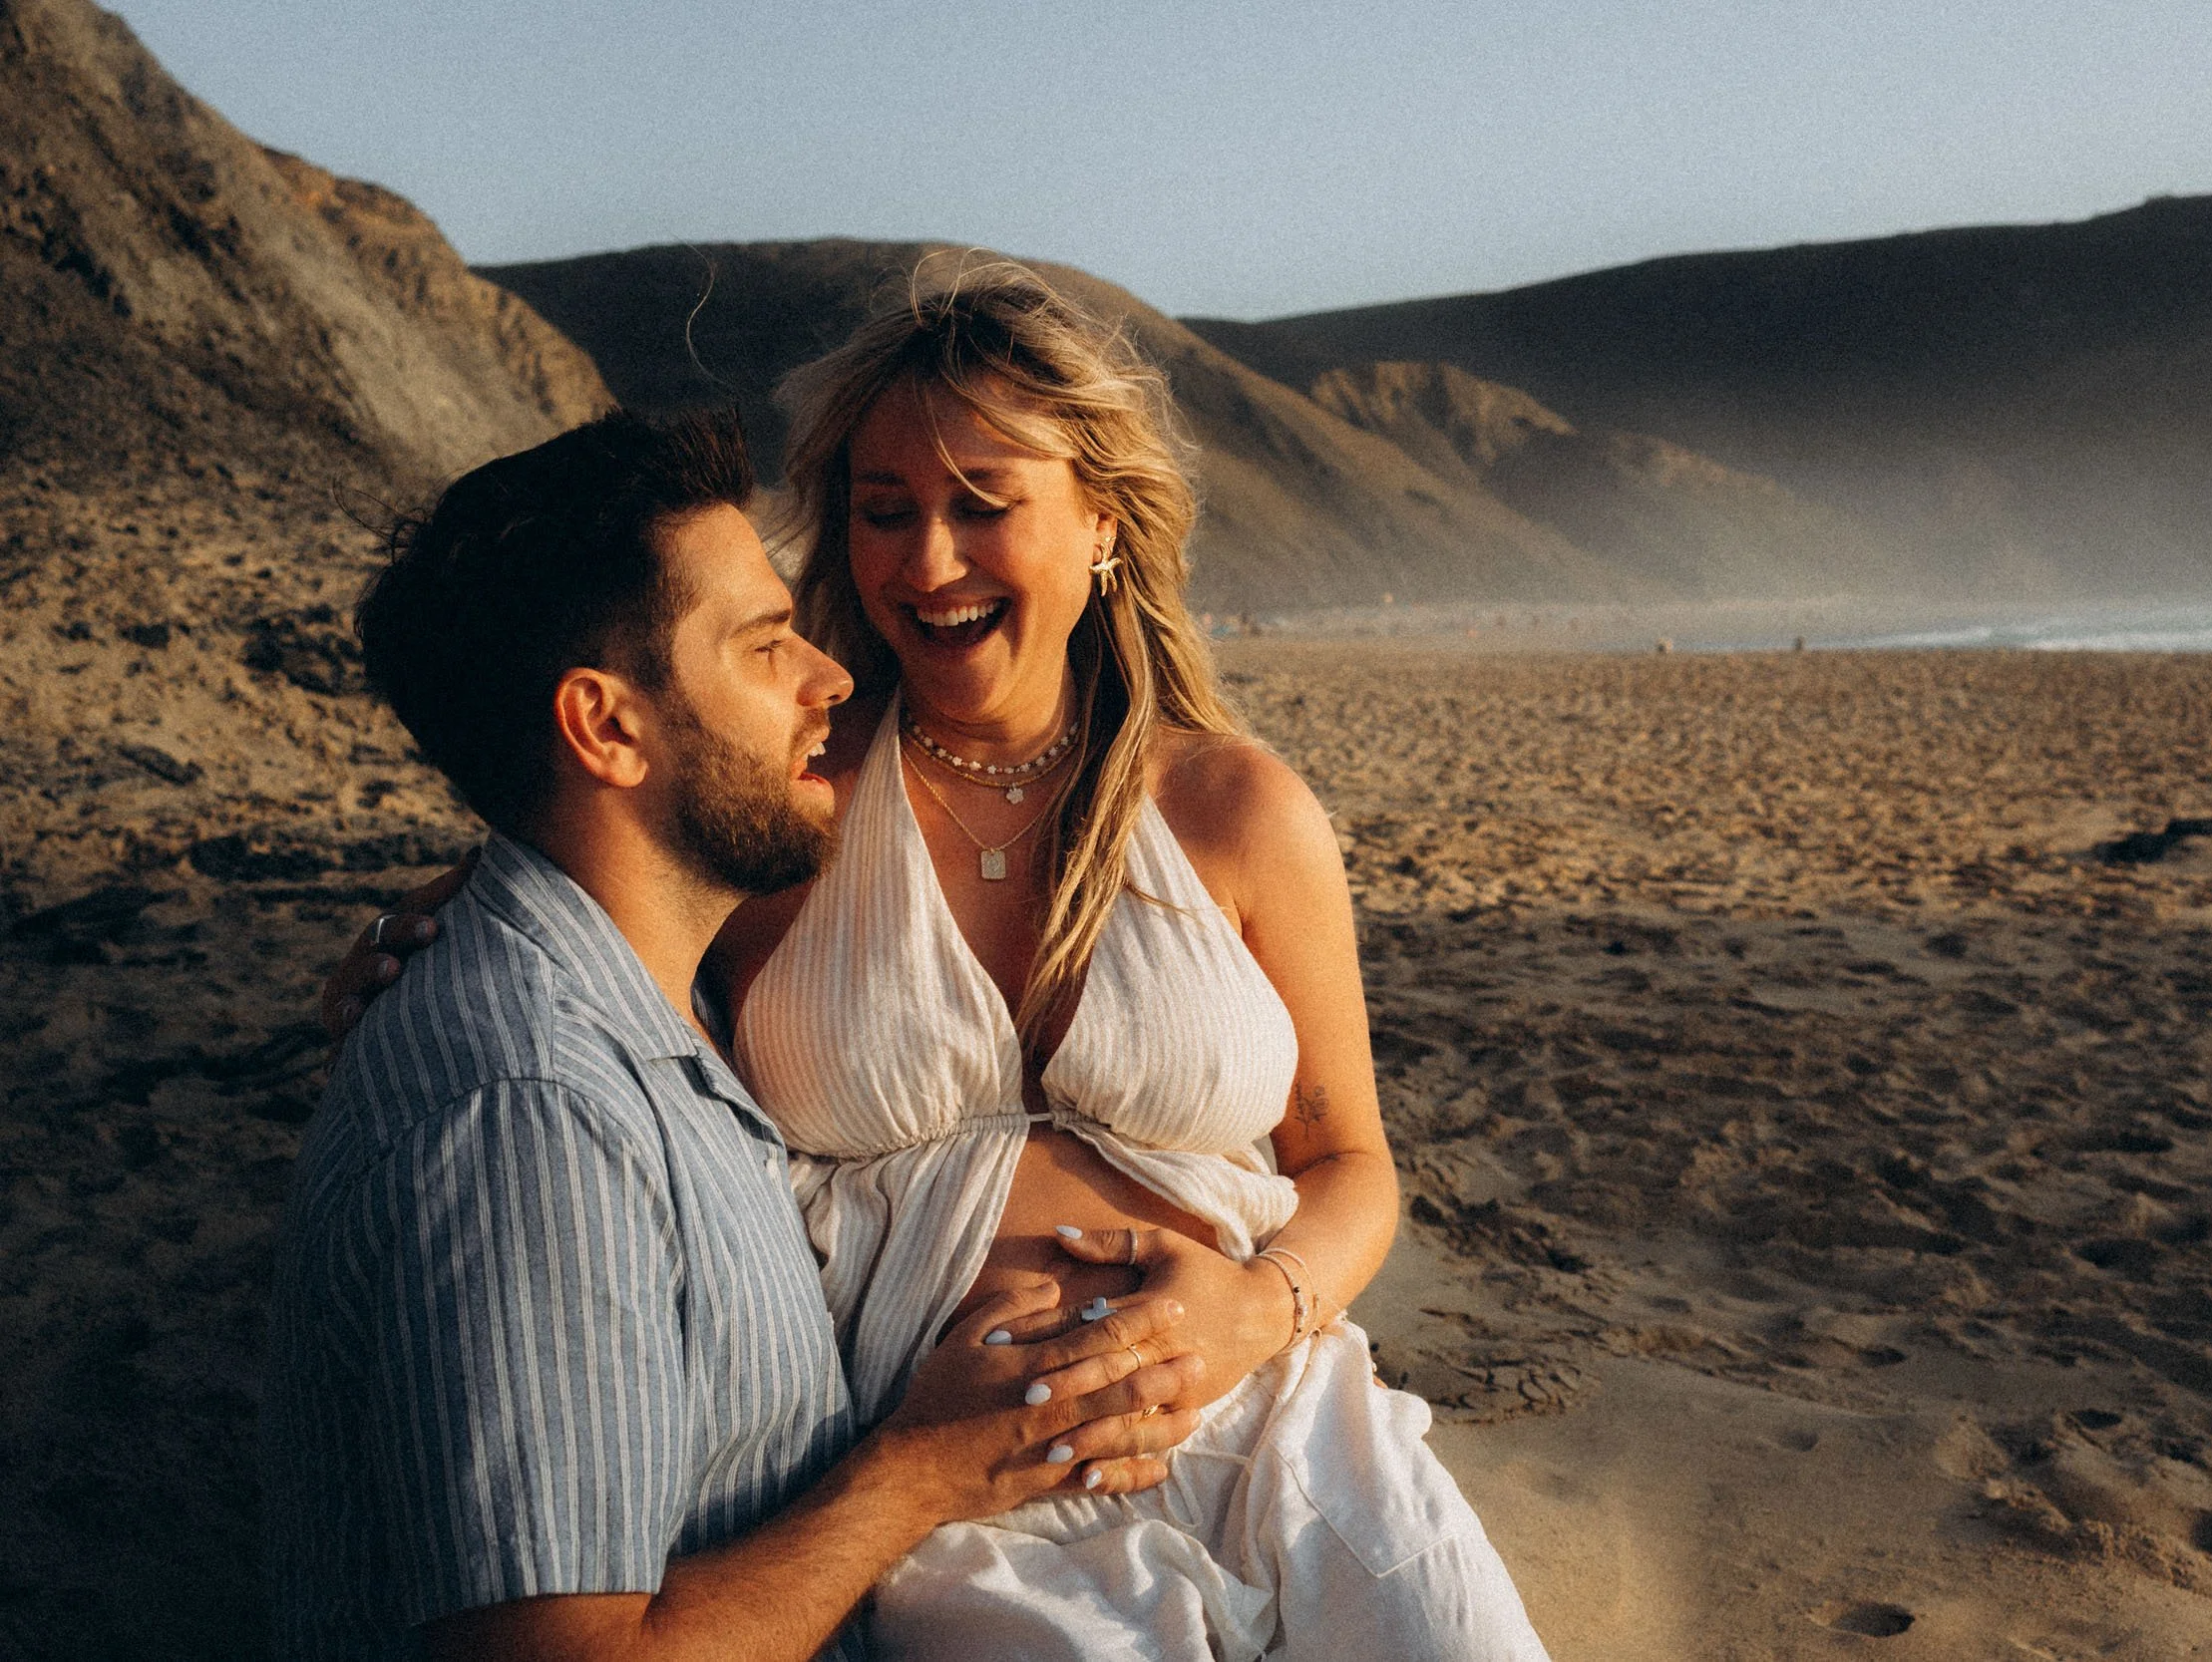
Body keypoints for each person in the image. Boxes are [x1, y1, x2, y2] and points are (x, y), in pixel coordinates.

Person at [332, 265, 1547, 1660]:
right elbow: (595, 860)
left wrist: (1253, 1310)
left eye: (983, 501)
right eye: (884, 509)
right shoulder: (786, 813)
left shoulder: (1239, 811)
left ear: (1101, 518)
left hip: (1280, 1416)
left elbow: (1351, 1161)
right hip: (950, 1488)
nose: (926, 560)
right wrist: (423, 929)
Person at [266, 409, 1205, 1662]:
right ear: (607, 728)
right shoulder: (536, 1120)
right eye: (766, 646)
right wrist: (917, 1470)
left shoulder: (649, 999)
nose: (830, 676)